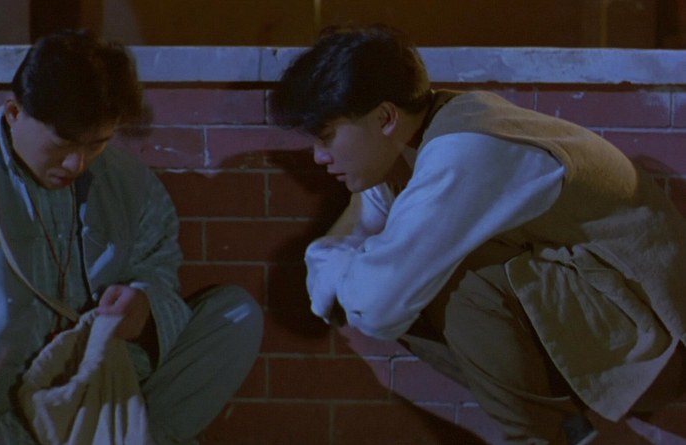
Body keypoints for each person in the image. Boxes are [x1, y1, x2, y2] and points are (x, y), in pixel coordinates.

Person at [269, 24, 686, 445]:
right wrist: (344, 265)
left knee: (445, 280)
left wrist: (345, 268)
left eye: (327, 136)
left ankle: (544, 437)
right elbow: (345, 263)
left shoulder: (465, 150)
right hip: (600, 322)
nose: (319, 156)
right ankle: (564, 430)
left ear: (385, 117)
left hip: (652, 341)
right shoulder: (412, 143)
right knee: (407, 274)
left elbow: (375, 306)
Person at [0, 29, 263, 445]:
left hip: (101, 395)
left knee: (235, 315)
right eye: (63, 143)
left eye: (97, 143)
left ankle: (136, 435)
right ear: (14, 112)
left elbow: (158, 269)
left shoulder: (130, 182)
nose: (76, 163)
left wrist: (144, 306)